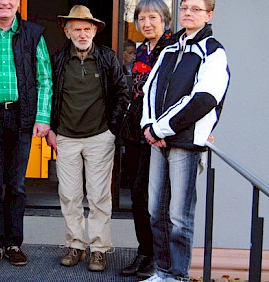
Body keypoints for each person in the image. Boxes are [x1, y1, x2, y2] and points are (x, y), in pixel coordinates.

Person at [140, 0, 230, 281]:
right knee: (156, 213)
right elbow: (149, 89)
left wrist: (161, 128)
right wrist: (148, 126)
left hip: (185, 144)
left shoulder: (213, 51)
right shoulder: (170, 49)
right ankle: (163, 271)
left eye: (196, 9)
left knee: (179, 218)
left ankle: (177, 276)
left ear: (209, 14)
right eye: (185, 8)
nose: (188, 13)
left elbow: (205, 98)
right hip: (158, 142)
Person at [0, 0, 53, 267]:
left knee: (16, 185)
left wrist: (42, 117)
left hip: (21, 117)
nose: (4, 2)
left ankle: (14, 244)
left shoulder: (33, 33)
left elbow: (44, 78)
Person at [46, 5, 129, 272]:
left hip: (99, 138)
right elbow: (47, 94)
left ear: (94, 30)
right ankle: (76, 245)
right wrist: (50, 129)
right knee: (69, 195)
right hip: (67, 138)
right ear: (67, 32)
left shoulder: (106, 58)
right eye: (77, 29)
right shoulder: (58, 60)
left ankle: (99, 249)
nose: (82, 34)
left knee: (99, 197)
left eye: (87, 29)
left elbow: (122, 94)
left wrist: (112, 130)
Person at [119, 0, 175, 279]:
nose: (147, 23)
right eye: (142, 19)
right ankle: (144, 252)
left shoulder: (173, 49)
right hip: (134, 133)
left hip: (159, 135)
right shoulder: (141, 49)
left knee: (156, 200)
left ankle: (157, 256)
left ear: (165, 19)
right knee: (137, 197)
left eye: (153, 17)